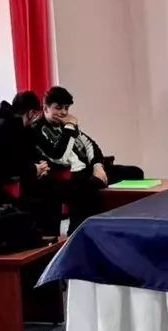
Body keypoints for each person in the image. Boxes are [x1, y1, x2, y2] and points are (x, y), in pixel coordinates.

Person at [33, 86, 145, 230]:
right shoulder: (38, 129)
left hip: (86, 171)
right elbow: (59, 157)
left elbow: (91, 145)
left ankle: (129, 225)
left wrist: (97, 166)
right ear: (46, 108)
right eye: (58, 108)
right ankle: (78, 232)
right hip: (65, 177)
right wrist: (69, 127)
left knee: (134, 173)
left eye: (66, 108)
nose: (63, 113)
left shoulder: (67, 125)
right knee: (87, 189)